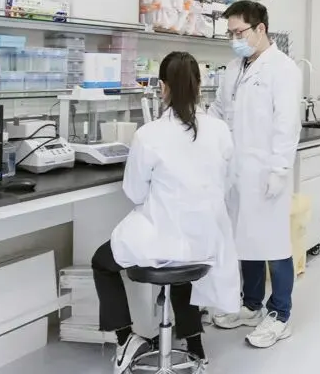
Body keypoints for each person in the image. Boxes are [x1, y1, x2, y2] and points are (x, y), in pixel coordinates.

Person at [91, 52, 240, 374]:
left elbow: (134, 192)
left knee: (102, 262)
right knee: (181, 257)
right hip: (207, 242)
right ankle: (195, 344)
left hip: (166, 242)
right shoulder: (219, 130)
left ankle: (125, 339)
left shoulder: (149, 135)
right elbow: (227, 183)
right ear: (199, 85)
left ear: (162, 87)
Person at [208, 0, 302, 349]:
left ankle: (280, 314)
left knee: (274, 245)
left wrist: (279, 169)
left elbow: (286, 124)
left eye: (239, 32)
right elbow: (220, 110)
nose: (234, 39)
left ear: (260, 29)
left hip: (266, 172)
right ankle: (251, 305)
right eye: (230, 34)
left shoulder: (283, 69)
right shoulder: (234, 68)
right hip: (236, 172)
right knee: (244, 240)